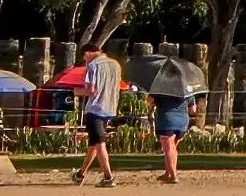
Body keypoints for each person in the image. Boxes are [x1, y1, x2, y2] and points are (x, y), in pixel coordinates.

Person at [133, 48, 199, 184]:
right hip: (182, 120)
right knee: (173, 148)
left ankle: (173, 175)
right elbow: (193, 108)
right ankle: (168, 172)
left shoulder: (161, 87)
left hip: (166, 118)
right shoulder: (186, 87)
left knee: (168, 148)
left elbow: (149, 101)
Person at [71, 43, 125, 186]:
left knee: (99, 143)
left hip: (95, 108)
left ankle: (108, 176)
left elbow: (91, 90)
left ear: (88, 53)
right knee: (94, 143)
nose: (85, 60)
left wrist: (76, 91)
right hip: (110, 107)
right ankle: (81, 173)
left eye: (84, 57)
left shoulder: (93, 66)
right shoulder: (116, 65)